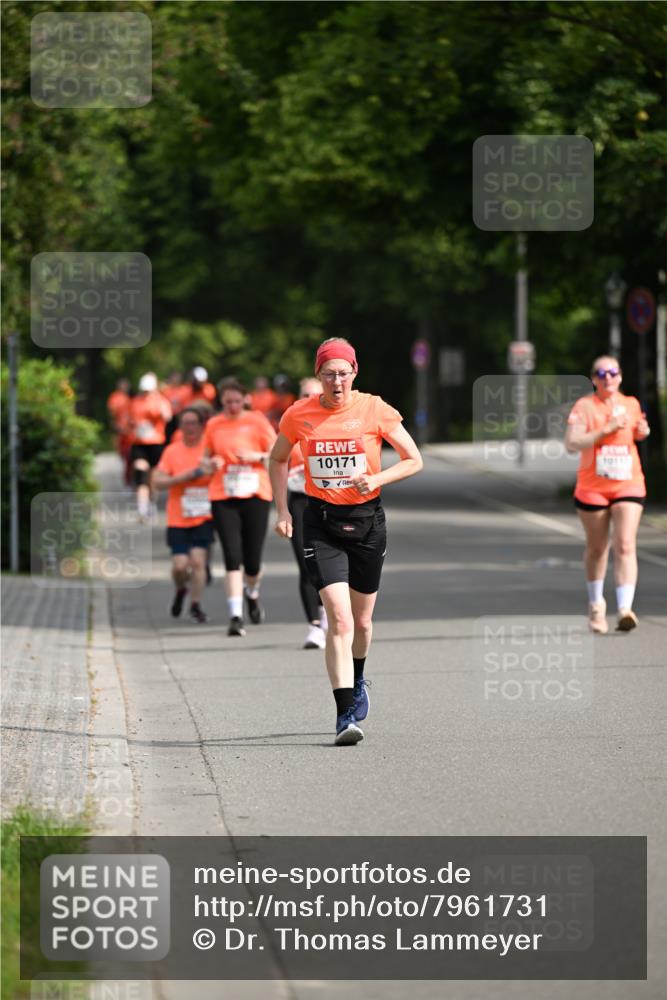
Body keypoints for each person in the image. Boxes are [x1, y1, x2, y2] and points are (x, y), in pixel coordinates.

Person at [269, 337, 423, 745]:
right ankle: (343, 717)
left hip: (368, 520)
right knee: (337, 618)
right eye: (328, 373)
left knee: (362, 622)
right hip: (320, 523)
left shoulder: (374, 409)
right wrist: (282, 510)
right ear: (318, 375)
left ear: (355, 373)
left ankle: (357, 681)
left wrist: (376, 478)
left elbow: (413, 459)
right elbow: (278, 458)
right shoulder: (299, 414)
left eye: (343, 373)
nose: (336, 381)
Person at [565, 355, 650, 633]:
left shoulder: (631, 404)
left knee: (625, 544)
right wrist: (605, 430)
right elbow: (572, 443)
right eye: (601, 373)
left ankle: (625, 608)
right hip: (593, 487)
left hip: (628, 482)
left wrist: (642, 431)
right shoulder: (584, 407)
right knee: (598, 548)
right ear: (594, 379)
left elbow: (637, 434)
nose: (608, 377)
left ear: (621, 376)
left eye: (613, 372)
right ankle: (596, 605)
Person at [203, 377, 277, 636]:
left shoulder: (257, 421)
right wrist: (209, 464)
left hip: (256, 493)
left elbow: (278, 452)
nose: (232, 406)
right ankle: (235, 615)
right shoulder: (213, 424)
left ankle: (252, 592)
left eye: (236, 401)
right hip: (223, 495)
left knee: (253, 561)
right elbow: (205, 458)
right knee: (232, 558)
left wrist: (257, 456)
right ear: (221, 402)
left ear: (245, 399)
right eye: (227, 402)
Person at [153, 408, 215, 623]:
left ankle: (195, 605)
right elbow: (158, 482)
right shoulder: (172, 451)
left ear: (201, 426)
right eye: (185, 423)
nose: (189, 428)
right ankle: (181, 589)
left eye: (193, 423)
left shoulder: (209, 449)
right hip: (177, 517)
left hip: (203, 516)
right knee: (180, 566)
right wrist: (185, 477)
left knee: (198, 562)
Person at [287, 377, 329, 649]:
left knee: (329, 565)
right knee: (306, 563)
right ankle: (314, 626)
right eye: (304, 394)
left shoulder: (334, 423)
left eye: (315, 394)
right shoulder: (289, 423)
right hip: (300, 500)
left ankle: (328, 614)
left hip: (331, 501)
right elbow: (275, 461)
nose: (309, 399)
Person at [128, 373, 172, 521]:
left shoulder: (161, 401)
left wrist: (158, 404)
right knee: (141, 473)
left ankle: (151, 503)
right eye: (144, 390)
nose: (146, 393)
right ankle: (142, 509)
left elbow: (168, 417)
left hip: (156, 443)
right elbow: (129, 420)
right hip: (139, 444)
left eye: (149, 390)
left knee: (153, 477)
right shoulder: (135, 402)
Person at [106, 378, 132, 485]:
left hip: (128, 431)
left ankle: (129, 479)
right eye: (123, 385)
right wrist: (116, 425)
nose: (125, 387)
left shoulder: (129, 398)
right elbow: (111, 413)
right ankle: (127, 478)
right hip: (119, 431)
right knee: (123, 454)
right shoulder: (115, 397)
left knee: (128, 455)